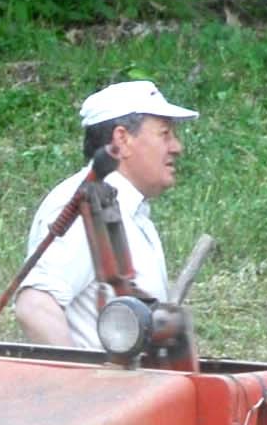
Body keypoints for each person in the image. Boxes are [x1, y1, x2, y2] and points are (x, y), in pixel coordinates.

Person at [12, 80, 190, 346]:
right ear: (122, 140)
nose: (177, 147)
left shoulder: (130, 209)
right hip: (105, 388)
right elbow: (36, 307)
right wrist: (79, 383)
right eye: (164, 134)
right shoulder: (80, 204)